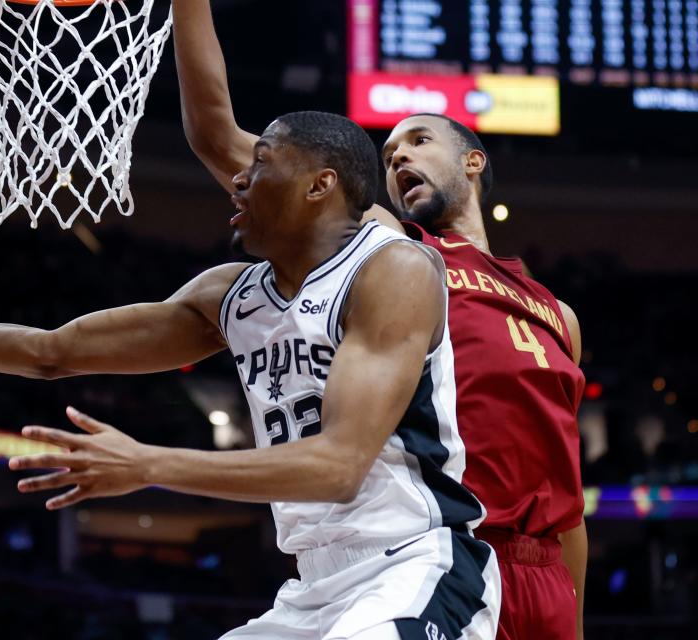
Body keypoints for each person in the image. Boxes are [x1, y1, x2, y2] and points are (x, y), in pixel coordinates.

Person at [0, 110, 499, 639]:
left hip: (418, 565)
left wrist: (149, 463)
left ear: (320, 185)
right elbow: (50, 352)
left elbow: (339, 465)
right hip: (310, 590)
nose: (238, 179)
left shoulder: (394, 271)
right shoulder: (231, 296)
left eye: (260, 165)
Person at [171, 2, 587, 639]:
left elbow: (567, 498)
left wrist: (574, 616)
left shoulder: (558, 314)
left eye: (417, 142)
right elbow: (217, 134)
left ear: (473, 161)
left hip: (545, 577)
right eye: (388, 155)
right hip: (452, 556)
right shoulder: (393, 251)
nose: (396, 160)